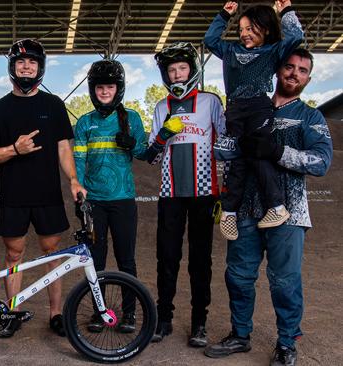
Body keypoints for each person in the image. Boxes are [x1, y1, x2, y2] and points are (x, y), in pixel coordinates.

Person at [204, 49, 333, 366]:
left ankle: (287, 343)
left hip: (289, 213)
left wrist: (278, 150)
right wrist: (236, 143)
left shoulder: (310, 117)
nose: (294, 74)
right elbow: (222, 152)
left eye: (302, 70)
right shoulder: (251, 108)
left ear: (308, 79)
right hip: (244, 210)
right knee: (237, 275)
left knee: (285, 282)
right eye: (289, 67)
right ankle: (240, 335)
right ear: (276, 70)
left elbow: (321, 162)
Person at [0, 38, 86, 338]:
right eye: (21, 63)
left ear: (39, 68)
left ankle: (55, 313)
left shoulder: (53, 105)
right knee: (14, 254)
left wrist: (73, 180)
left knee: (52, 252)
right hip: (13, 195)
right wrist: (14, 149)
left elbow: (64, 147)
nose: (26, 67)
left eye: (32, 63)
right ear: (13, 68)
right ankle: (11, 313)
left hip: (48, 194)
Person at [144, 42, 226, 347]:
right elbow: (151, 156)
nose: (177, 75)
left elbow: (226, 146)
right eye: (171, 70)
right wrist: (164, 134)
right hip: (171, 195)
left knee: (200, 261)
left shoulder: (210, 102)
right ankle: (163, 319)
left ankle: (198, 324)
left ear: (192, 69)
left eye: (182, 68)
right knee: (167, 257)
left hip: (205, 193)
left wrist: (226, 192)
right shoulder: (160, 107)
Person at [204, 0, 303, 241]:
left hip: (259, 107)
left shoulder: (273, 51)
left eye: (251, 28)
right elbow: (210, 40)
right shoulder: (230, 51)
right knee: (237, 158)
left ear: (266, 29)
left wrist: (286, 11)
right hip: (235, 110)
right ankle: (228, 212)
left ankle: (277, 207)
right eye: (241, 29)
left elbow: (296, 35)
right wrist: (223, 15)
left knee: (257, 154)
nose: (244, 34)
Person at [72, 59, 147, 334]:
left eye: (110, 87)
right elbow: (78, 160)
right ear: (93, 90)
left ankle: (129, 314)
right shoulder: (84, 123)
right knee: (96, 261)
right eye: (100, 87)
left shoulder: (133, 119)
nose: (105, 92)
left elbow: (143, 153)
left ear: (119, 89)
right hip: (94, 203)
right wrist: (78, 191)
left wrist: (134, 144)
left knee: (126, 259)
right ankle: (99, 312)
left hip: (123, 199)